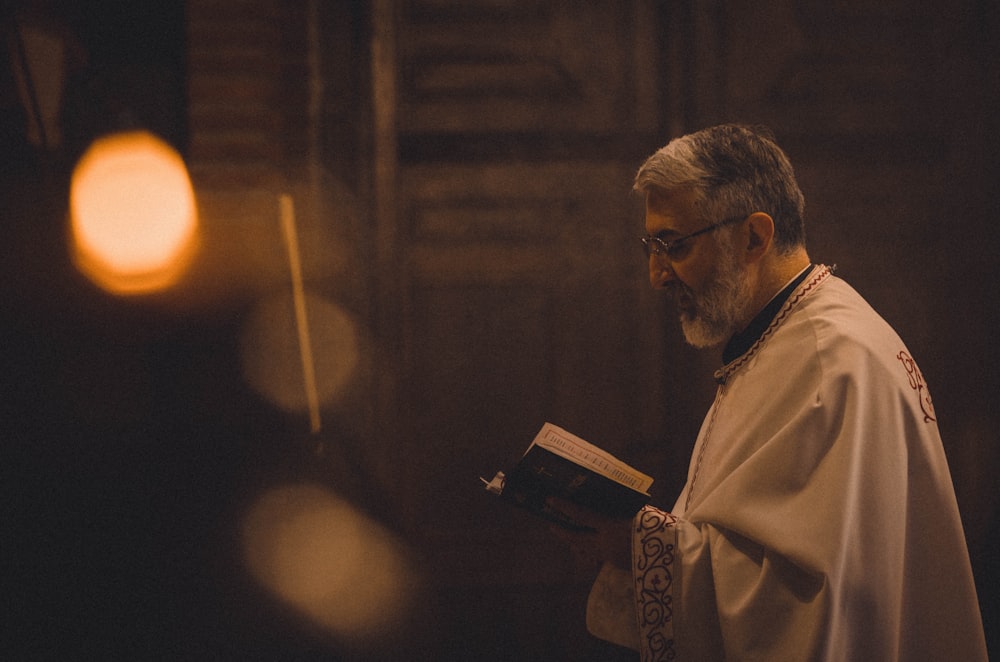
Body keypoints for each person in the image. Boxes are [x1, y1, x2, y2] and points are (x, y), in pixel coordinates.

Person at [551, 124, 988, 661]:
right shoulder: (793, 334)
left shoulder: (830, 362)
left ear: (754, 237)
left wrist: (641, 548)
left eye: (675, 247)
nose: (657, 276)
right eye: (652, 247)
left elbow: (807, 603)